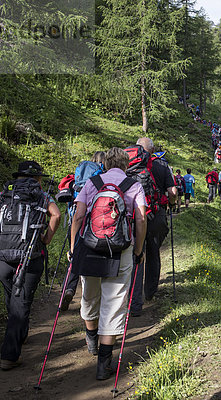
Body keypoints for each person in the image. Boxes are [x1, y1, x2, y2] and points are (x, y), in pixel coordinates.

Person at [70, 147, 147, 380]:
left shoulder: (92, 182)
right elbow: (141, 219)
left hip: (90, 247)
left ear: (104, 163)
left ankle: (91, 339)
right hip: (120, 249)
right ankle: (104, 364)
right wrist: (138, 250)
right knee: (114, 303)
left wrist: (74, 248)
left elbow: (79, 216)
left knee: (90, 296)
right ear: (126, 165)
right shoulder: (133, 185)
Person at [0, 161, 61, 371]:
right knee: (21, 302)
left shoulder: (3, 194)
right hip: (30, 255)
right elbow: (56, 215)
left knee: (12, 297)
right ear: (38, 179)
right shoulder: (42, 195)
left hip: (1, 256)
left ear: (19, 177)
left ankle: (20, 335)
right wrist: (47, 239)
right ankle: (9, 355)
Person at [131, 137, 177, 313]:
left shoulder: (128, 165)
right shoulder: (161, 165)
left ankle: (132, 295)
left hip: (133, 215)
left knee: (135, 252)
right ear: (152, 150)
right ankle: (149, 292)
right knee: (153, 251)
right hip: (155, 214)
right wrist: (171, 204)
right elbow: (172, 192)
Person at [61, 151, 106, 312]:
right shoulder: (102, 178)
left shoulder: (79, 175)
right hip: (94, 224)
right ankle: (92, 300)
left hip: (75, 223)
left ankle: (69, 289)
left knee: (74, 256)